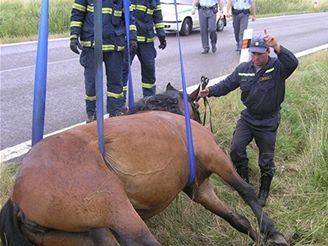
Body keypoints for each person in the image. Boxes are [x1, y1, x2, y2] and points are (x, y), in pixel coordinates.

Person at [198, 32, 298, 206]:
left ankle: (263, 192)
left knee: (266, 160)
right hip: (248, 118)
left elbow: (293, 63)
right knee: (236, 149)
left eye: (259, 53)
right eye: (253, 53)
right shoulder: (244, 69)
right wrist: (210, 91)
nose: (255, 57)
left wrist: (277, 46)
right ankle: (244, 182)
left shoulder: (277, 68)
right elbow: (228, 84)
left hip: (268, 121)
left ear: (267, 52)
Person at [70, 0, 137, 122]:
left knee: (116, 84)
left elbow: (129, 18)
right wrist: (74, 36)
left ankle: (115, 113)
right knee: (91, 84)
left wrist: (132, 38)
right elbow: (77, 13)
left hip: (115, 46)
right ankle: (92, 114)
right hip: (92, 46)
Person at [121, 0, 166, 103]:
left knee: (149, 73)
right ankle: (120, 105)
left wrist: (161, 35)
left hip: (147, 42)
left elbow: (157, 16)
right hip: (128, 41)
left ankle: (149, 102)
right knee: (122, 73)